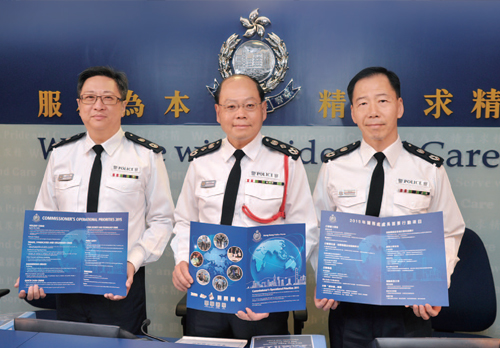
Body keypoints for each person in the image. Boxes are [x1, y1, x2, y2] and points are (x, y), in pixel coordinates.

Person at [15, 66, 175, 334]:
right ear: (79, 105)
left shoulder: (146, 156)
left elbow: (162, 220)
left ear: (123, 106)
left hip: (120, 285)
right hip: (67, 287)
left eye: (108, 98)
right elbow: (45, 218)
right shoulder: (60, 155)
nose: (98, 105)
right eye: (89, 98)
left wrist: (132, 261)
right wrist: (36, 269)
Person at [312, 67, 465, 348]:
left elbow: (450, 232)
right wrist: (328, 277)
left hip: (409, 308)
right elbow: (317, 229)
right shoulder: (334, 167)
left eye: (382, 100)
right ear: (353, 112)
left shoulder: (428, 168)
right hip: (350, 307)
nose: (373, 111)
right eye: (362, 103)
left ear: (399, 106)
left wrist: (434, 286)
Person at [170, 74, 318, 340]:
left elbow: (305, 229)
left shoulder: (287, 162)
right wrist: (182, 259)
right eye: (231, 106)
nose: (240, 114)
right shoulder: (201, 162)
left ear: (263, 110)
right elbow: (184, 221)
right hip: (206, 293)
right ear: (218, 112)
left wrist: (272, 294)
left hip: (260, 298)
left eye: (249, 106)